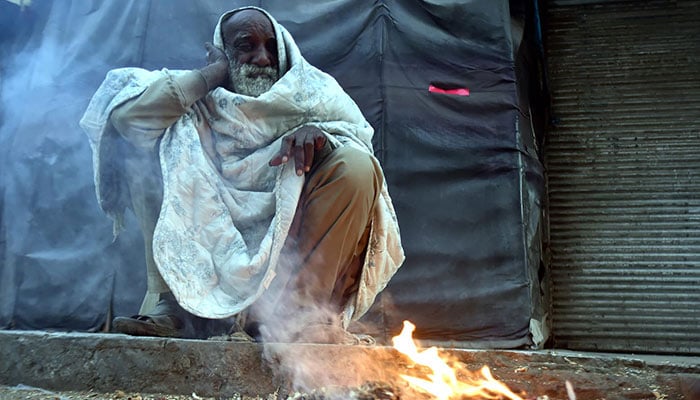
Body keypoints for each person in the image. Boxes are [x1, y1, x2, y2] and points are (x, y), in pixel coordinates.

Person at [80, 7, 404, 343]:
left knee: (357, 165)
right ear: (221, 50)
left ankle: (302, 318)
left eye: (271, 48)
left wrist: (323, 137)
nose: (262, 58)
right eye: (245, 46)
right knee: (157, 139)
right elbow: (129, 121)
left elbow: (357, 138)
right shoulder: (197, 97)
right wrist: (210, 76)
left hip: (283, 282)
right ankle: (173, 308)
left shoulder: (314, 94)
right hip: (201, 265)